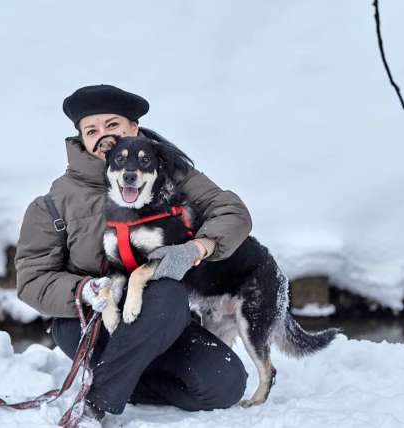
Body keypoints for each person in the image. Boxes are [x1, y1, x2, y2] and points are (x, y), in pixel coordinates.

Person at [14, 84, 253, 424]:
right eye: (91, 131)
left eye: (112, 125)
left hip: (159, 322)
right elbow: (32, 280)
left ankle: (119, 376)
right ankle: (97, 405)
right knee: (167, 293)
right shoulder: (53, 203)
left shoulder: (171, 175)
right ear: (82, 138)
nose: (102, 137)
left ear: (132, 130)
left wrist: (197, 248)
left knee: (225, 385)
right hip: (93, 324)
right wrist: (83, 290)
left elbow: (231, 211)